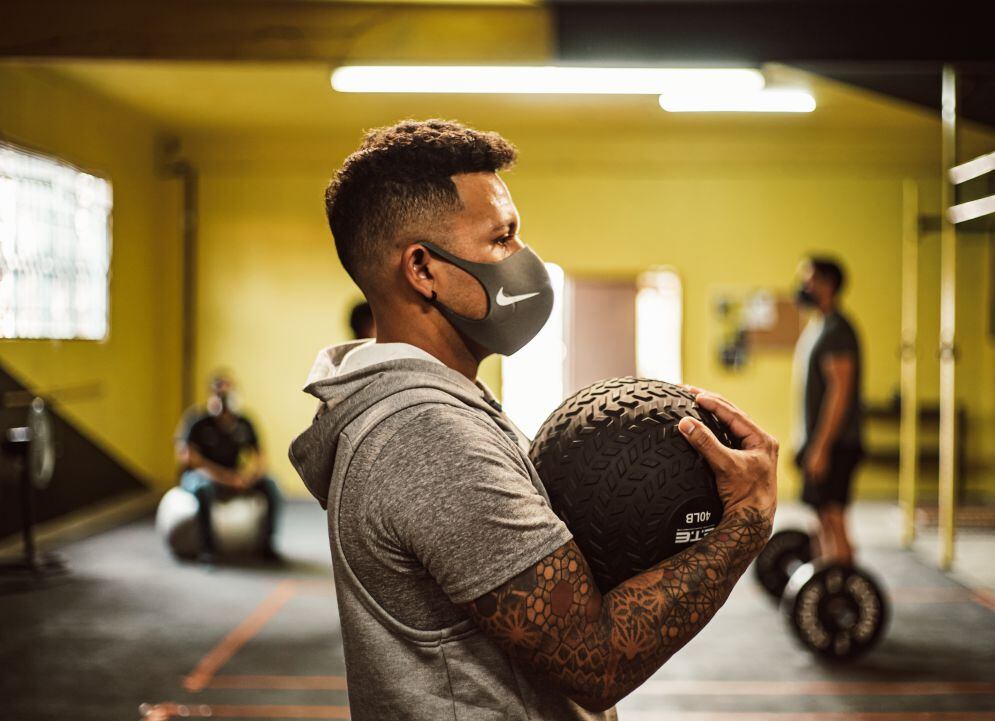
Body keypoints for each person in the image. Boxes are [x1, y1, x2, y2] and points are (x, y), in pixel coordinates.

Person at [289, 119, 778, 720]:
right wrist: (747, 521)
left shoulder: (443, 408)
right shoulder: (428, 439)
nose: (523, 259)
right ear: (422, 270)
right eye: (502, 239)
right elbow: (595, 662)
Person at [792, 256, 863, 566]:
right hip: (820, 442)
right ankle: (824, 585)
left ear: (827, 284)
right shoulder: (820, 326)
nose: (803, 286)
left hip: (837, 443)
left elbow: (840, 392)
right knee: (821, 516)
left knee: (834, 519)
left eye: (808, 279)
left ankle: (843, 588)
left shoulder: (837, 330)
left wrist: (821, 446)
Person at [176, 374, 282, 564]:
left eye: (228, 393)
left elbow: (260, 456)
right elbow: (189, 458)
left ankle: (267, 545)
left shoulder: (244, 422)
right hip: (203, 478)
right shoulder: (197, 420)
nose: (224, 399)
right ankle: (208, 549)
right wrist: (226, 478)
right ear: (211, 395)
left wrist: (250, 477)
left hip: (235, 478)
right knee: (203, 489)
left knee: (271, 485)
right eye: (219, 393)